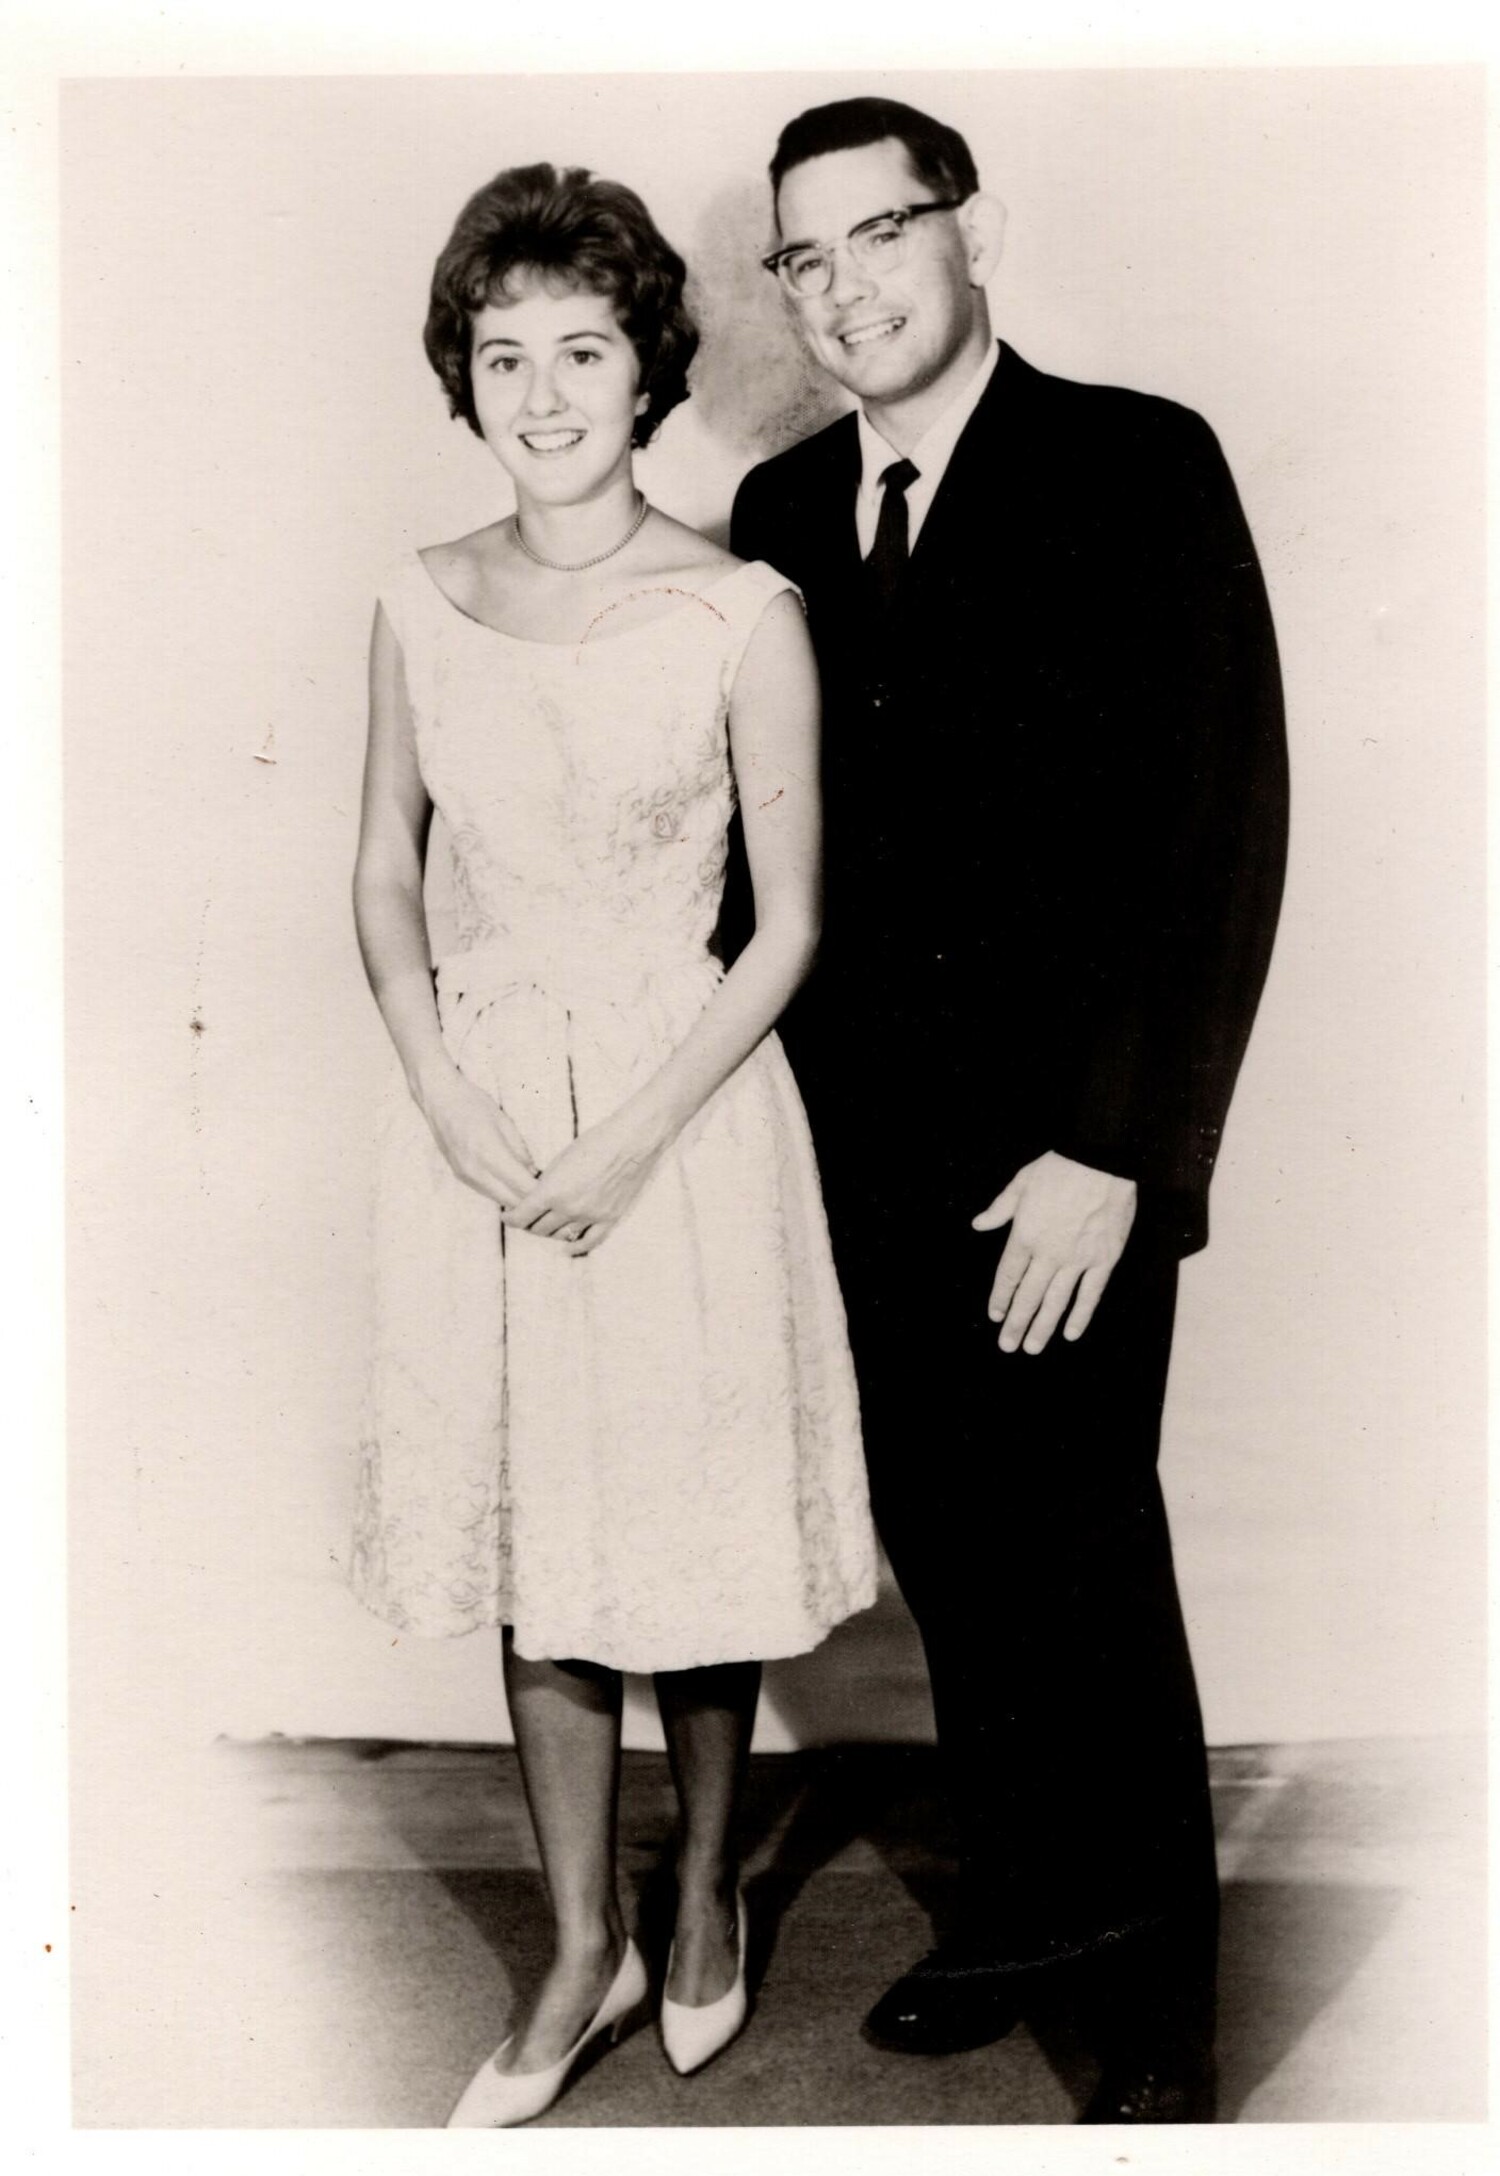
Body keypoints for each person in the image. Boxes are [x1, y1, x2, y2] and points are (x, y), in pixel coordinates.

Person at [730, 97, 1288, 2123]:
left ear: (971, 238)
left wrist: (1125, 1151)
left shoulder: (1138, 461)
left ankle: (1158, 2011)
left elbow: (1219, 827)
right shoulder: (782, 509)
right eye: (804, 257)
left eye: (880, 233)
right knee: (956, 1554)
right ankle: (1020, 1917)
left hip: (1070, 1159)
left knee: (1081, 1555)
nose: (845, 284)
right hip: (850, 1155)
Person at [348, 160, 877, 2128]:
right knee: (536, 1540)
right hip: (483, 1122)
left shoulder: (743, 608)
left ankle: (711, 1885)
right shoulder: (418, 599)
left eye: (585, 348)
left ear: (649, 367)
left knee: (682, 1527)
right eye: (507, 354)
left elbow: (798, 921)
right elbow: (383, 884)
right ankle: (585, 1945)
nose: (547, 391)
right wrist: (450, 1094)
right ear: (463, 377)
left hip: (684, 1105)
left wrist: (634, 1136)